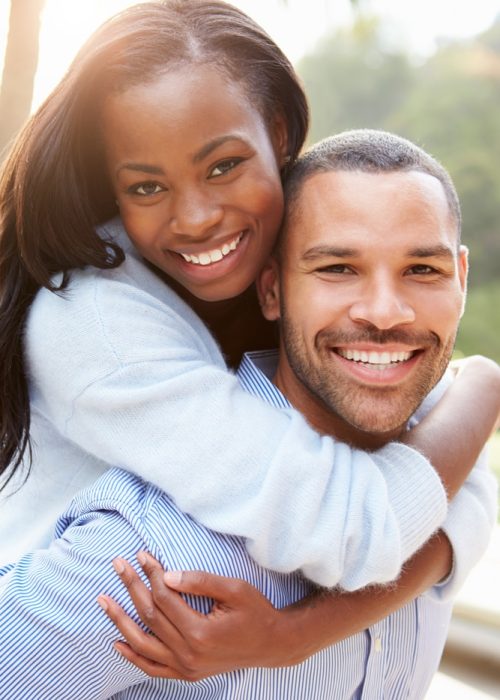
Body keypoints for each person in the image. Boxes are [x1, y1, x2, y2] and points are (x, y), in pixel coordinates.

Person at [0, 130, 497, 699]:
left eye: (422, 270)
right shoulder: (162, 556)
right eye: (337, 268)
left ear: (462, 279)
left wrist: (297, 635)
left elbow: (451, 523)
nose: (385, 312)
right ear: (271, 291)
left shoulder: (448, 451)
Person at [0, 0, 484, 584]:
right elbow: (355, 526)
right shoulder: (91, 324)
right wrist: (482, 387)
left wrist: (302, 633)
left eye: (224, 165)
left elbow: (460, 487)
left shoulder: (303, 250)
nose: (197, 218)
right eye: (147, 186)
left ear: (278, 133)